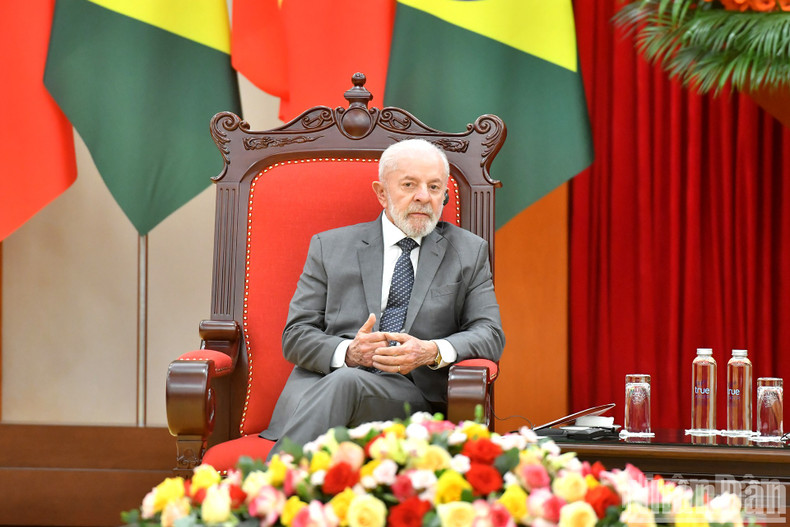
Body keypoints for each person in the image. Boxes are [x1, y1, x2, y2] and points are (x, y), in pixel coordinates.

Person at [259, 138, 505, 454]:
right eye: (409, 185)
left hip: (409, 399)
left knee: (346, 383)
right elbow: (295, 336)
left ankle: (267, 490)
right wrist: (348, 353)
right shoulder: (330, 247)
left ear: (444, 195)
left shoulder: (468, 252)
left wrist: (430, 351)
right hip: (322, 393)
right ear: (381, 193)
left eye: (434, 187)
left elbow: (490, 334)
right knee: (345, 380)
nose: (423, 197)